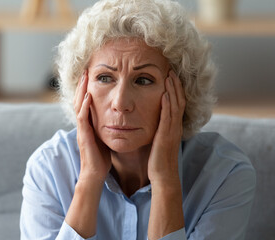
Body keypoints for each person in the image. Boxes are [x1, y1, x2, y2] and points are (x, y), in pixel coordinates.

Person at [20, 0, 256, 239]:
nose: (121, 103)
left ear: (182, 92)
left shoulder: (225, 175)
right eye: (104, 78)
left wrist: (166, 182)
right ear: (81, 88)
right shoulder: (48, 169)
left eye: (143, 80)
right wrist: (90, 178)